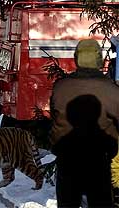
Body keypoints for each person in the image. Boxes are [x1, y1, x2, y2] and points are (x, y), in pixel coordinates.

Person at [50, 39, 119, 207]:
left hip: (66, 160)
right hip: (99, 161)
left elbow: (55, 118)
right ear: (100, 59)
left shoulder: (61, 87)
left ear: (76, 58)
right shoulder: (112, 90)